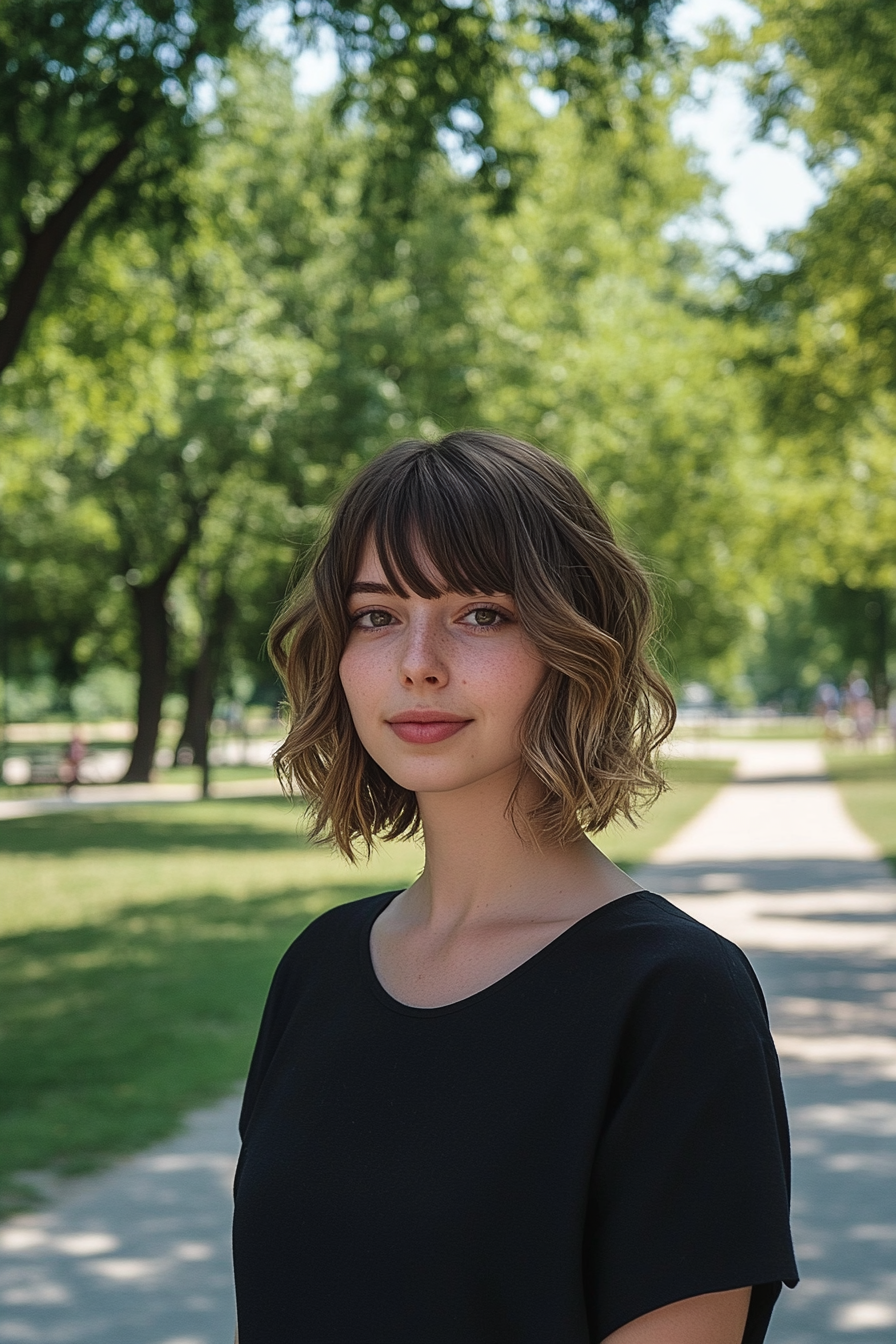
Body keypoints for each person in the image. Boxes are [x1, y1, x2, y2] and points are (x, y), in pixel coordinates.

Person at [232, 431, 798, 1344]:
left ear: (574, 643)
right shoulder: (317, 970)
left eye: (481, 614)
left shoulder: (674, 999)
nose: (418, 660)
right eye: (377, 615)